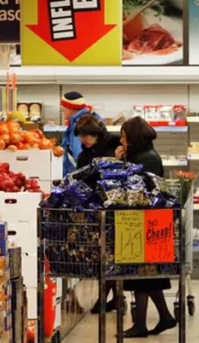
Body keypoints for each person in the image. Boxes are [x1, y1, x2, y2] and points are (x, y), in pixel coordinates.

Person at [118, 117, 177, 338]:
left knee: (140, 274)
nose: (122, 139)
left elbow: (138, 189)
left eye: (124, 136)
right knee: (145, 275)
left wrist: (122, 164)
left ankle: (141, 324)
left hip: (146, 221)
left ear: (132, 137)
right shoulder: (141, 156)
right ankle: (164, 316)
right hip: (143, 220)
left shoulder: (147, 159)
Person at [73, 114, 124, 313]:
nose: (83, 140)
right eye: (80, 136)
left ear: (97, 134)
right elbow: (80, 178)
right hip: (95, 210)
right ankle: (116, 297)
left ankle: (106, 298)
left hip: (115, 207)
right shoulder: (83, 155)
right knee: (104, 256)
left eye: (87, 136)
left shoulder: (114, 143)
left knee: (111, 255)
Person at [60, 91, 99, 175]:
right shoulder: (91, 119)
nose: (61, 109)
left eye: (63, 107)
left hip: (78, 176)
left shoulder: (78, 125)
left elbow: (78, 153)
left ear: (70, 108)